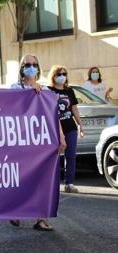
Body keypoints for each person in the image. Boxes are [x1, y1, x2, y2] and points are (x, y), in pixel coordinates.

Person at [9, 54, 67, 232]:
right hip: (19, 141)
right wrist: (30, 92)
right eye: (27, 64)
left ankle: (40, 218)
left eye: (34, 64)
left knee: (42, 179)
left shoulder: (47, 92)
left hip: (40, 142)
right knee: (19, 178)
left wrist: (61, 136)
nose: (31, 67)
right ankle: (15, 212)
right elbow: (10, 109)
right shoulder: (14, 88)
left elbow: (53, 116)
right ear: (21, 68)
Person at [48, 65, 84, 193]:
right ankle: (52, 184)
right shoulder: (49, 90)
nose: (62, 76)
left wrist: (80, 124)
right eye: (59, 74)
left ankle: (69, 183)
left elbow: (74, 109)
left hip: (70, 126)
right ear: (53, 76)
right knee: (54, 156)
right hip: (54, 128)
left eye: (64, 74)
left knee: (71, 156)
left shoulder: (69, 91)